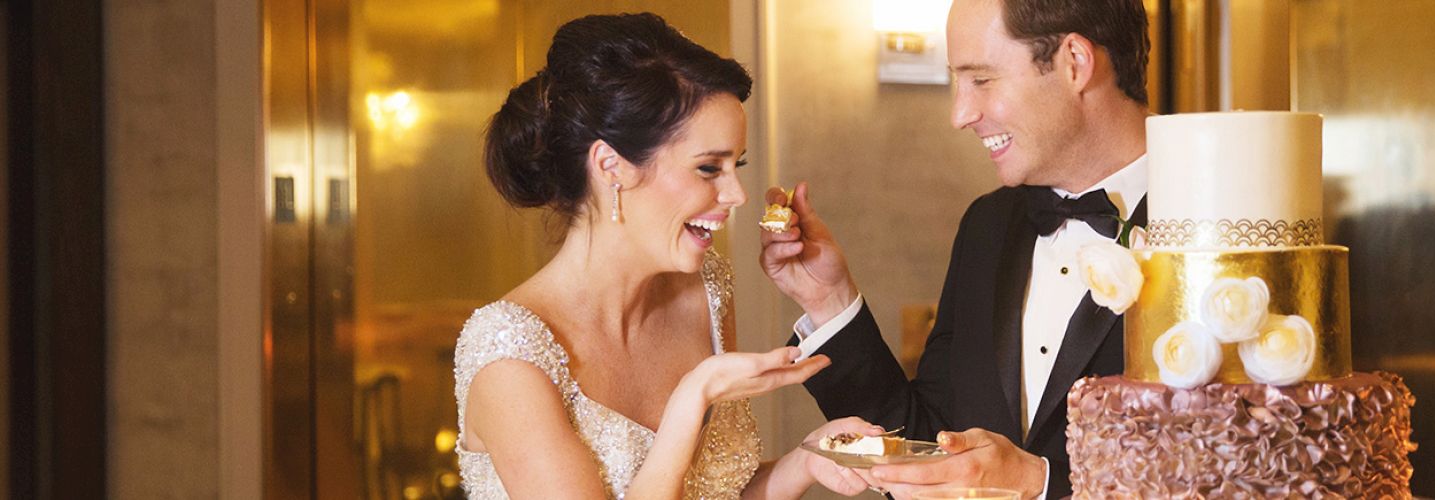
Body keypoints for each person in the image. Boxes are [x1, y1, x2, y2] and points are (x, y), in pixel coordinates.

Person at [453, 13, 879, 499]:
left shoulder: (706, 289)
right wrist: (692, 399)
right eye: (707, 168)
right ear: (611, 166)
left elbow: (712, 492)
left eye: (734, 165)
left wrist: (808, 458)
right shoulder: (510, 353)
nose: (737, 193)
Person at [759, 0, 1153, 497]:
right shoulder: (987, 227)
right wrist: (828, 302)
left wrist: (1043, 485)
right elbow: (930, 444)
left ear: (1074, 61)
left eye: (982, 80)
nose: (960, 114)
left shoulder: (1229, 226)